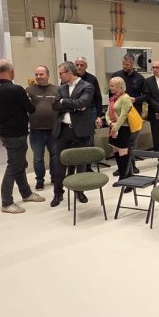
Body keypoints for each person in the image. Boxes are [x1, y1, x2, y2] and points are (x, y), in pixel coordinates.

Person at [0, 61, 44, 214]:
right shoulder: (16, 89)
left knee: (20, 164)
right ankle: (6, 202)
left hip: (5, 132)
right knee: (13, 166)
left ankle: (26, 193)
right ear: (11, 71)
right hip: (17, 133)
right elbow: (30, 109)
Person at [50, 61, 98, 208]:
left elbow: (83, 103)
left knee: (81, 163)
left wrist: (64, 102)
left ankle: (79, 191)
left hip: (80, 130)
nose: (59, 76)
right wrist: (73, 105)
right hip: (63, 130)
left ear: (69, 73)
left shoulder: (87, 86)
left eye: (61, 73)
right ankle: (58, 193)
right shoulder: (61, 88)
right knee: (59, 163)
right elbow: (55, 105)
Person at [102, 76, 140, 187]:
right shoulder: (113, 98)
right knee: (116, 153)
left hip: (123, 129)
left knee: (124, 156)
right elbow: (107, 114)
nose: (110, 88)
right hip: (113, 128)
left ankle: (129, 181)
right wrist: (110, 124)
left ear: (119, 86)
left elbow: (123, 115)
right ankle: (122, 177)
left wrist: (115, 128)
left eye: (112, 86)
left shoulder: (125, 98)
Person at [25, 65, 57, 190]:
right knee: (38, 158)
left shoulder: (56, 90)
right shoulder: (29, 90)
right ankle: (39, 180)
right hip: (36, 130)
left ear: (48, 75)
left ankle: (55, 177)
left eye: (41, 74)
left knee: (55, 156)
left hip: (54, 130)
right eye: (36, 74)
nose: (38, 77)